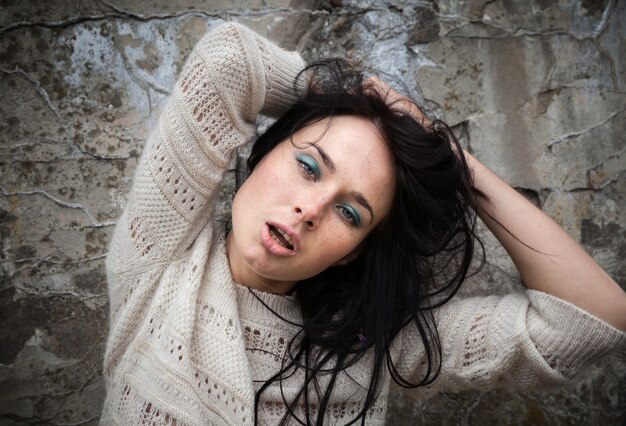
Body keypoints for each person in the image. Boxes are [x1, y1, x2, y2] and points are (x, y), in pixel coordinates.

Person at [101, 22, 626, 425]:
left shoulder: (371, 346)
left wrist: (455, 164)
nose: (311, 210)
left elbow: (589, 320)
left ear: (355, 249)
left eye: (350, 213)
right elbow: (230, 60)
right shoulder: (158, 262)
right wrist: (353, 98)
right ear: (261, 155)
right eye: (308, 167)